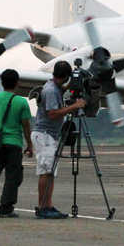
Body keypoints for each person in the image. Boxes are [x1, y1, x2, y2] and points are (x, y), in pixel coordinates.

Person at [32, 61, 86, 219]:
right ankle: (43, 207)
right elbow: (53, 114)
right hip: (45, 134)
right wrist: (75, 106)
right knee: (46, 171)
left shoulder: (54, 88)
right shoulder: (50, 91)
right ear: (66, 76)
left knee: (50, 171)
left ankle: (47, 205)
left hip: (48, 134)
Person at [0, 69, 33, 218]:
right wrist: (29, 144)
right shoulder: (21, 102)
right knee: (13, 177)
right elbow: (26, 125)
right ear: (17, 83)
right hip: (14, 143)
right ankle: (5, 208)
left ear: (1, 83)